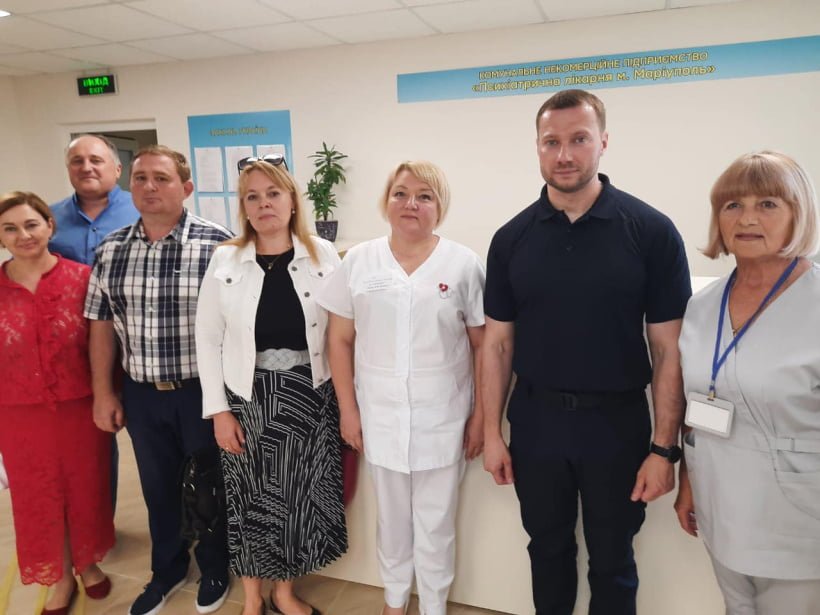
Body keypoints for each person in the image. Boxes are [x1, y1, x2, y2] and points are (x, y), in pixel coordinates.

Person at [481, 89, 691, 615]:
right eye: (551, 142)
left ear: (603, 142)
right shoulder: (511, 239)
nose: (564, 154)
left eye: (578, 139)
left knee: (613, 559)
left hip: (616, 425)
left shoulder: (652, 232)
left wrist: (664, 449)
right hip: (536, 423)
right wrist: (491, 433)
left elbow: (668, 351)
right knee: (546, 549)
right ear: (537, 147)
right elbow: (497, 344)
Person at [320, 161, 485, 615]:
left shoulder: (464, 264)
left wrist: (482, 417)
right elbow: (339, 341)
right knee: (391, 519)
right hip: (380, 416)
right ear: (386, 201)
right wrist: (348, 411)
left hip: (444, 418)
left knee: (436, 523)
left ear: (440, 206)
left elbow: (483, 346)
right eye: (400, 193)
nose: (411, 203)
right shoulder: (359, 261)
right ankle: (395, 599)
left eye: (424, 196)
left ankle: (433, 604)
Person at [196, 157, 348, 615]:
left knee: (296, 499)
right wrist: (219, 411)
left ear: (292, 200)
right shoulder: (226, 258)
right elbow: (207, 338)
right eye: (253, 196)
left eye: (273, 193)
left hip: (309, 395)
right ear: (244, 207)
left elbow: (343, 330)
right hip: (248, 399)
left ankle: (283, 592)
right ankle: (251, 599)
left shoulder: (322, 253)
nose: (264, 204)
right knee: (249, 500)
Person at [84, 146, 231, 615]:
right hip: (143, 394)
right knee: (157, 487)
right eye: (141, 178)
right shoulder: (111, 249)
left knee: (210, 487)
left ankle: (215, 567)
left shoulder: (219, 245)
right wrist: (104, 392)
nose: (150, 187)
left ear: (186, 188)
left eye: (162, 179)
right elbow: (101, 326)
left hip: (202, 392)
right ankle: (167, 569)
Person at [675, 151, 820, 614]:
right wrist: (689, 479)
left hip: (797, 515)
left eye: (768, 204)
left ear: (798, 214)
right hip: (719, 499)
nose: (748, 218)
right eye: (733, 205)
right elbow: (697, 402)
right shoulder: (703, 305)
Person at [0, 191, 114, 615]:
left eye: (31, 224)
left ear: (50, 225)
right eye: (10, 228)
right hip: (17, 414)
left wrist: (108, 394)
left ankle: (88, 563)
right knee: (38, 497)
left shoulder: (83, 279)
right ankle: (61, 575)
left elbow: (105, 344)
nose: (23, 235)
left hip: (78, 408)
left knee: (85, 489)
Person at [50, 133, 140, 515]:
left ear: (117, 169)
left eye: (96, 160)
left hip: (138, 344)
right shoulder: (50, 220)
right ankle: (99, 523)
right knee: (92, 441)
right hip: (75, 349)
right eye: (77, 161)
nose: (87, 167)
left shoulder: (141, 211)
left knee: (152, 442)